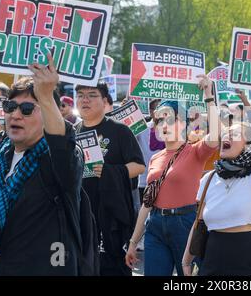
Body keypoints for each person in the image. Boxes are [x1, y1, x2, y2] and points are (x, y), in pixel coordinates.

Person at [0, 55, 84, 275]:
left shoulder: (59, 161)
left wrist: (46, 96)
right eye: (10, 107)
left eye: (27, 109)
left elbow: (62, 145)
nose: (15, 115)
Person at [181, 84, 251, 276]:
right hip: (213, 255)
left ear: (249, 145)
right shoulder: (210, 178)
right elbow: (199, 222)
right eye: (227, 133)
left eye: (236, 134)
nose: (227, 135)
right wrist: (187, 259)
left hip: (248, 256)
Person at [125, 75, 219, 276]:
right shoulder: (155, 158)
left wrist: (209, 97)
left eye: (170, 119)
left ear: (183, 123)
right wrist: (133, 242)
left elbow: (216, 135)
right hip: (155, 226)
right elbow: (147, 203)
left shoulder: (195, 151)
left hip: (185, 224)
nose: (163, 124)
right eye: (159, 120)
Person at [75, 83, 146, 276]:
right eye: (80, 95)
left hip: (112, 217)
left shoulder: (119, 130)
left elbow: (139, 166)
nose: (85, 100)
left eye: (92, 95)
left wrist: (108, 172)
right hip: (79, 215)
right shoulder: (72, 133)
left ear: (105, 101)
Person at [134, 99, 165, 251]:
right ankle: (139, 239)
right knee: (144, 211)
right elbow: (128, 133)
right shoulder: (143, 128)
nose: (159, 111)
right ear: (151, 111)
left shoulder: (176, 129)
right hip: (145, 179)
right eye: (155, 108)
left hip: (168, 181)